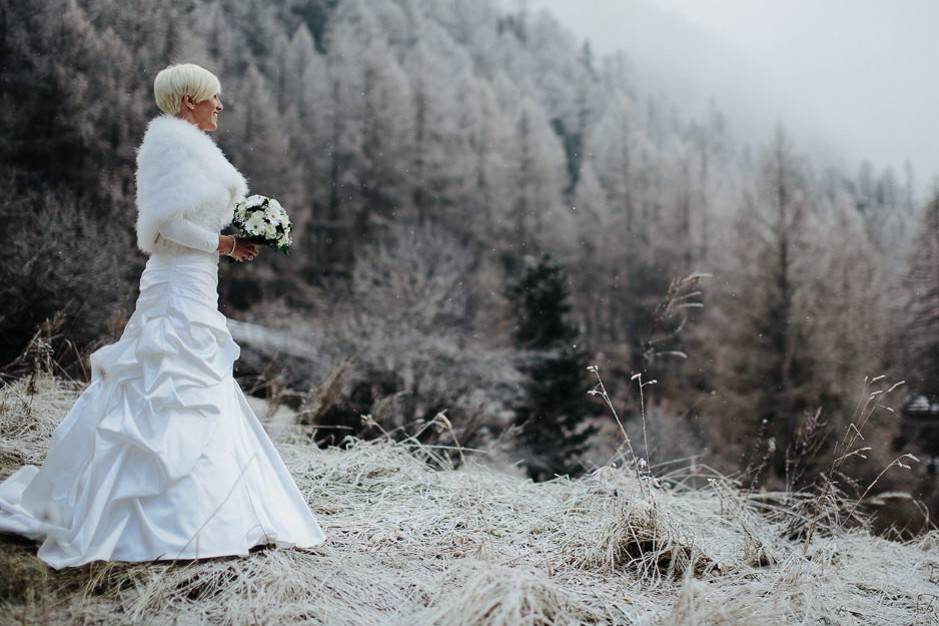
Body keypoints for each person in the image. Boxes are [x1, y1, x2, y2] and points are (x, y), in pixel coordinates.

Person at [0, 63, 326, 569]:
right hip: (177, 282)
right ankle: (160, 516)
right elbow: (167, 223)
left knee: (197, 380)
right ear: (188, 100)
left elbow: (195, 216)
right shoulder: (168, 146)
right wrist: (224, 241)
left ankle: (211, 508)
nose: (220, 106)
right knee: (169, 377)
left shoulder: (193, 148)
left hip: (197, 281)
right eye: (213, 97)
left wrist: (244, 234)